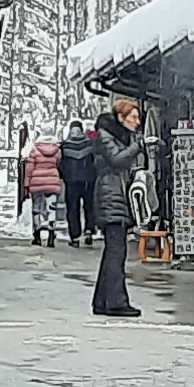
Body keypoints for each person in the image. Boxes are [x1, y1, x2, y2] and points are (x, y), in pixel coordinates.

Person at [83, 92, 146, 316]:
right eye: (134, 117)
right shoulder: (106, 136)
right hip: (111, 196)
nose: (137, 122)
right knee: (116, 252)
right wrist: (138, 146)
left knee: (113, 251)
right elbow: (117, 160)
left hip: (115, 195)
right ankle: (116, 301)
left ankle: (102, 301)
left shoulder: (116, 136)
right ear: (121, 116)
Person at [59, 115, 99, 256]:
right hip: (88, 180)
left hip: (71, 182)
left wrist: (64, 177)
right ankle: (89, 230)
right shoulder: (90, 144)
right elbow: (95, 161)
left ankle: (74, 236)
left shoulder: (65, 145)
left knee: (72, 209)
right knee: (89, 206)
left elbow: (61, 164)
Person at [19, 126, 62, 245]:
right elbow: (58, 163)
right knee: (51, 209)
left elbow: (29, 168)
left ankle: (37, 235)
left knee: (36, 209)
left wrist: (27, 184)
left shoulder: (35, 150)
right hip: (52, 182)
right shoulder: (57, 150)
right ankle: (51, 235)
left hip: (37, 182)